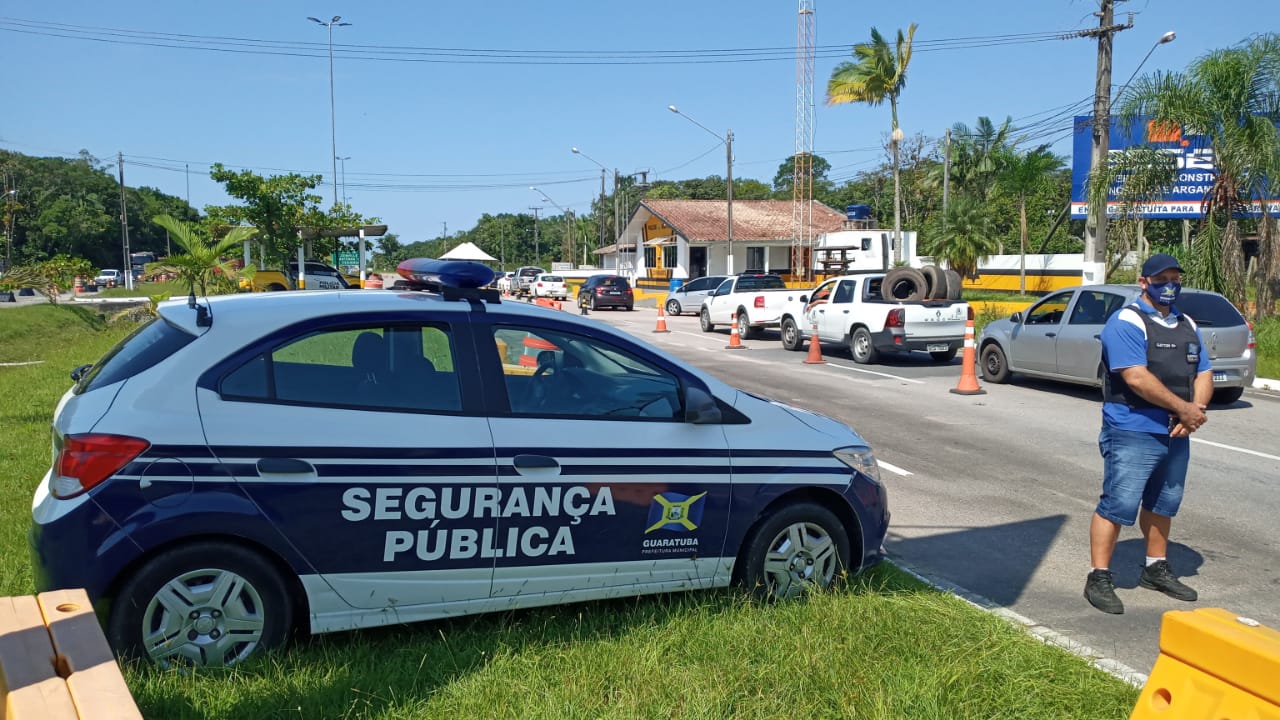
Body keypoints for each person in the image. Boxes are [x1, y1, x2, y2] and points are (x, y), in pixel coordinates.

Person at [1085, 253, 1213, 615]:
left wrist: (1195, 411)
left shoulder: (1186, 323)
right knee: (1118, 504)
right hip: (1132, 428)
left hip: (1176, 432)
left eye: (1175, 279)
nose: (1169, 286)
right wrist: (1184, 409)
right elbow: (1136, 377)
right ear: (1144, 283)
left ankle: (1155, 568)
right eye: (1161, 279)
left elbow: (1203, 371)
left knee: (1163, 502)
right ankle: (1098, 576)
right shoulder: (1126, 321)